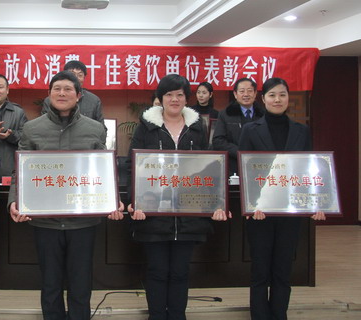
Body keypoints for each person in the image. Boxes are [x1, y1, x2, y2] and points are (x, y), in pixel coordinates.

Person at [8, 71, 124, 320]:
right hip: (45, 222)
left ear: (79, 95)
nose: (62, 93)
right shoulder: (32, 128)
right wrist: (13, 201)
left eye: (68, 89)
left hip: (83, 223)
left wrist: (113, 200)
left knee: (81, 284)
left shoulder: (94, 129)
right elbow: (20, 172)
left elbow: (104, 169)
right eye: (57, 89)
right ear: (49, 94)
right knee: (50, 284)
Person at [126, 74, 229, 320]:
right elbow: (132, 166)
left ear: (186, 98)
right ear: (160, 99)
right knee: (157, 270)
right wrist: (134, 202)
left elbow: (208, 168)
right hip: (154, 213)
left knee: (181, 272)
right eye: (169, 94)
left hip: (188, 213)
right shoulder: (146, 127)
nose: (174, 99)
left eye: (180, 95)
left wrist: (217, 203)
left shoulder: (197, 128)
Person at [239, 77, 325, 320]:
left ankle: (279, 315)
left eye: (282, 95)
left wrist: (316, 202)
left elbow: (309, 169)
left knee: (283, 269)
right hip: (260, 211)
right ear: (263, 99)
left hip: (290, 210)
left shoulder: (301, 130)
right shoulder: (250, 130)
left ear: (288, 98)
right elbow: (245, 169)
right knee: (260, 270)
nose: (277, 99)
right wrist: (251, 204)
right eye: (272, 95)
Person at [212, 77, 264, 176]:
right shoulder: (225, 114)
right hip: (233, 166)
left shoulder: (263, 115)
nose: (246, 94)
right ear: (235, 94)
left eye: (250, 91)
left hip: (258, 166)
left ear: (255, 93)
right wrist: (239, 152)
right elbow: (218, 141)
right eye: (242, 91)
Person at [41, 60, 105, 124]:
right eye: (72, 74)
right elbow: (43, 124)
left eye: (80, 75)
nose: (76, 78)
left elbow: (101, 127)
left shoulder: (94, 100)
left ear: (84, 78)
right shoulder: (51, 100)